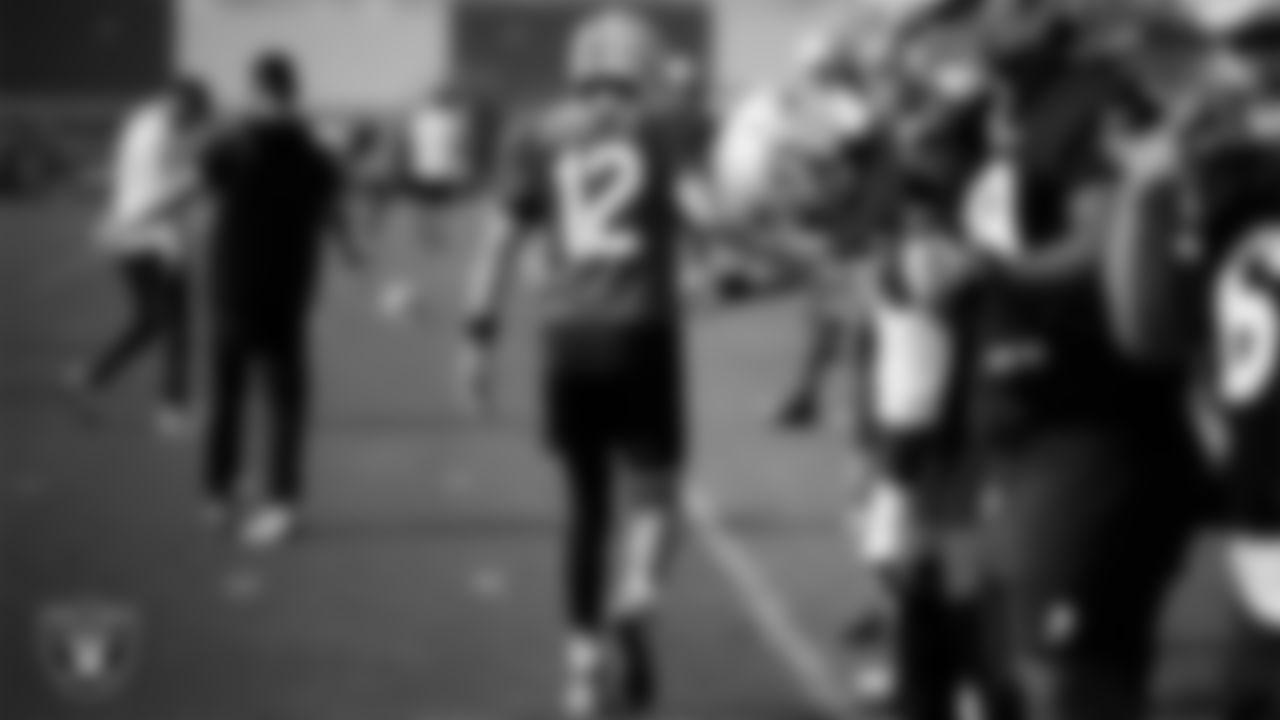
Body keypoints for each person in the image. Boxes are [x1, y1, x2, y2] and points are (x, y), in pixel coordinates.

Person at [938, 4, 1210, 718]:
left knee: (1068, 683)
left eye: (988, 11)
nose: (971, 29)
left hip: (1093, 421)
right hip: (1024, 418)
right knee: (1011, 666)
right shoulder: (1014, 110)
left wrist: (990, 272)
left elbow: (1102, 241)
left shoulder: (1092, 101)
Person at [459, 10, 696, 717]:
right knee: (657, 500)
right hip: (643, 334)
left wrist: (478, 336)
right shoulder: (658, 132)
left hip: (569, 339)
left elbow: (498, 242)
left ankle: (582, 669)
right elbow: (706, 213)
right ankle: (637, 595)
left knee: (587, 510)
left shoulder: (535, 133)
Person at [1101, 15, 1280, 719]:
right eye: (1247, 56)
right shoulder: (1237, 192)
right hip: (1260, 552)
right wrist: (1143, 199)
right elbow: (1148, 335)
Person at [191, 50, 362, 547]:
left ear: (256, 90)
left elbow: (198, 184)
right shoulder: (312, 149)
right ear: (293, 90)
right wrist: (351, 251)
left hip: (233, 288)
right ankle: (282, 501)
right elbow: (333, 207)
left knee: (229, 396)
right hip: (285, 293)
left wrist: (135, 216)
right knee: (286, 402)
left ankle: (218, 494)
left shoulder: (234, 142)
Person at [73, 77, 212, 436]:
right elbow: (162, 199)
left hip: (124, 235)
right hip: (152, 238)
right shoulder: (163, 136)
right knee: (178, 328)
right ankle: (173, 409)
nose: (195, 126)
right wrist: (195, 189)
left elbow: (131, 181)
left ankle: (93, 377)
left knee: (150, 321)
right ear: (184, 106)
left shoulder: (142, 121)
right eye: (195, 117)